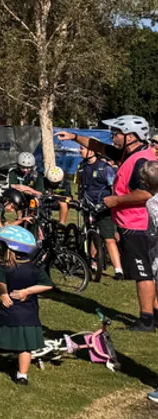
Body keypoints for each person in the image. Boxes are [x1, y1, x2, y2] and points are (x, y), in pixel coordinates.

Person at [58, 117, 157, 330]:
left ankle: (147, 320)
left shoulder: (141, 161)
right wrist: (74, 137)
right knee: (144, 271)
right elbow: (98, 146)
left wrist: (115, 200)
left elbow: (145, 193)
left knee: (143, 273)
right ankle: (155, 314)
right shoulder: (128, 153)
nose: (113, 136)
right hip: (129, 222)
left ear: (131, 136)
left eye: (117, 132)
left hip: (137, 224)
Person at [0, 225, 52, 384]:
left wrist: (3, 294)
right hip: (29, 314)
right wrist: (28, 291)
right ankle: (22, 376)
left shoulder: (3, 267)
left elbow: (1, 283)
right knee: (25, 346)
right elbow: (47, 285)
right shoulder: (35, 268)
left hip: (8, 311)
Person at [76, 141, 121, 279]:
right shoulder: (81, 167)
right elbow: (80, 186)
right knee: (91, 235)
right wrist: (79, 200)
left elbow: (113, 188)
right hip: (88, 206)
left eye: (82, 148)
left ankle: (118, 270)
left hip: (103, 207)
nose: (80, 151)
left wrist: (110, 203)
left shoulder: (105, 168)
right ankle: (93, 263)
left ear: (91, 151)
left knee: (109, 239)